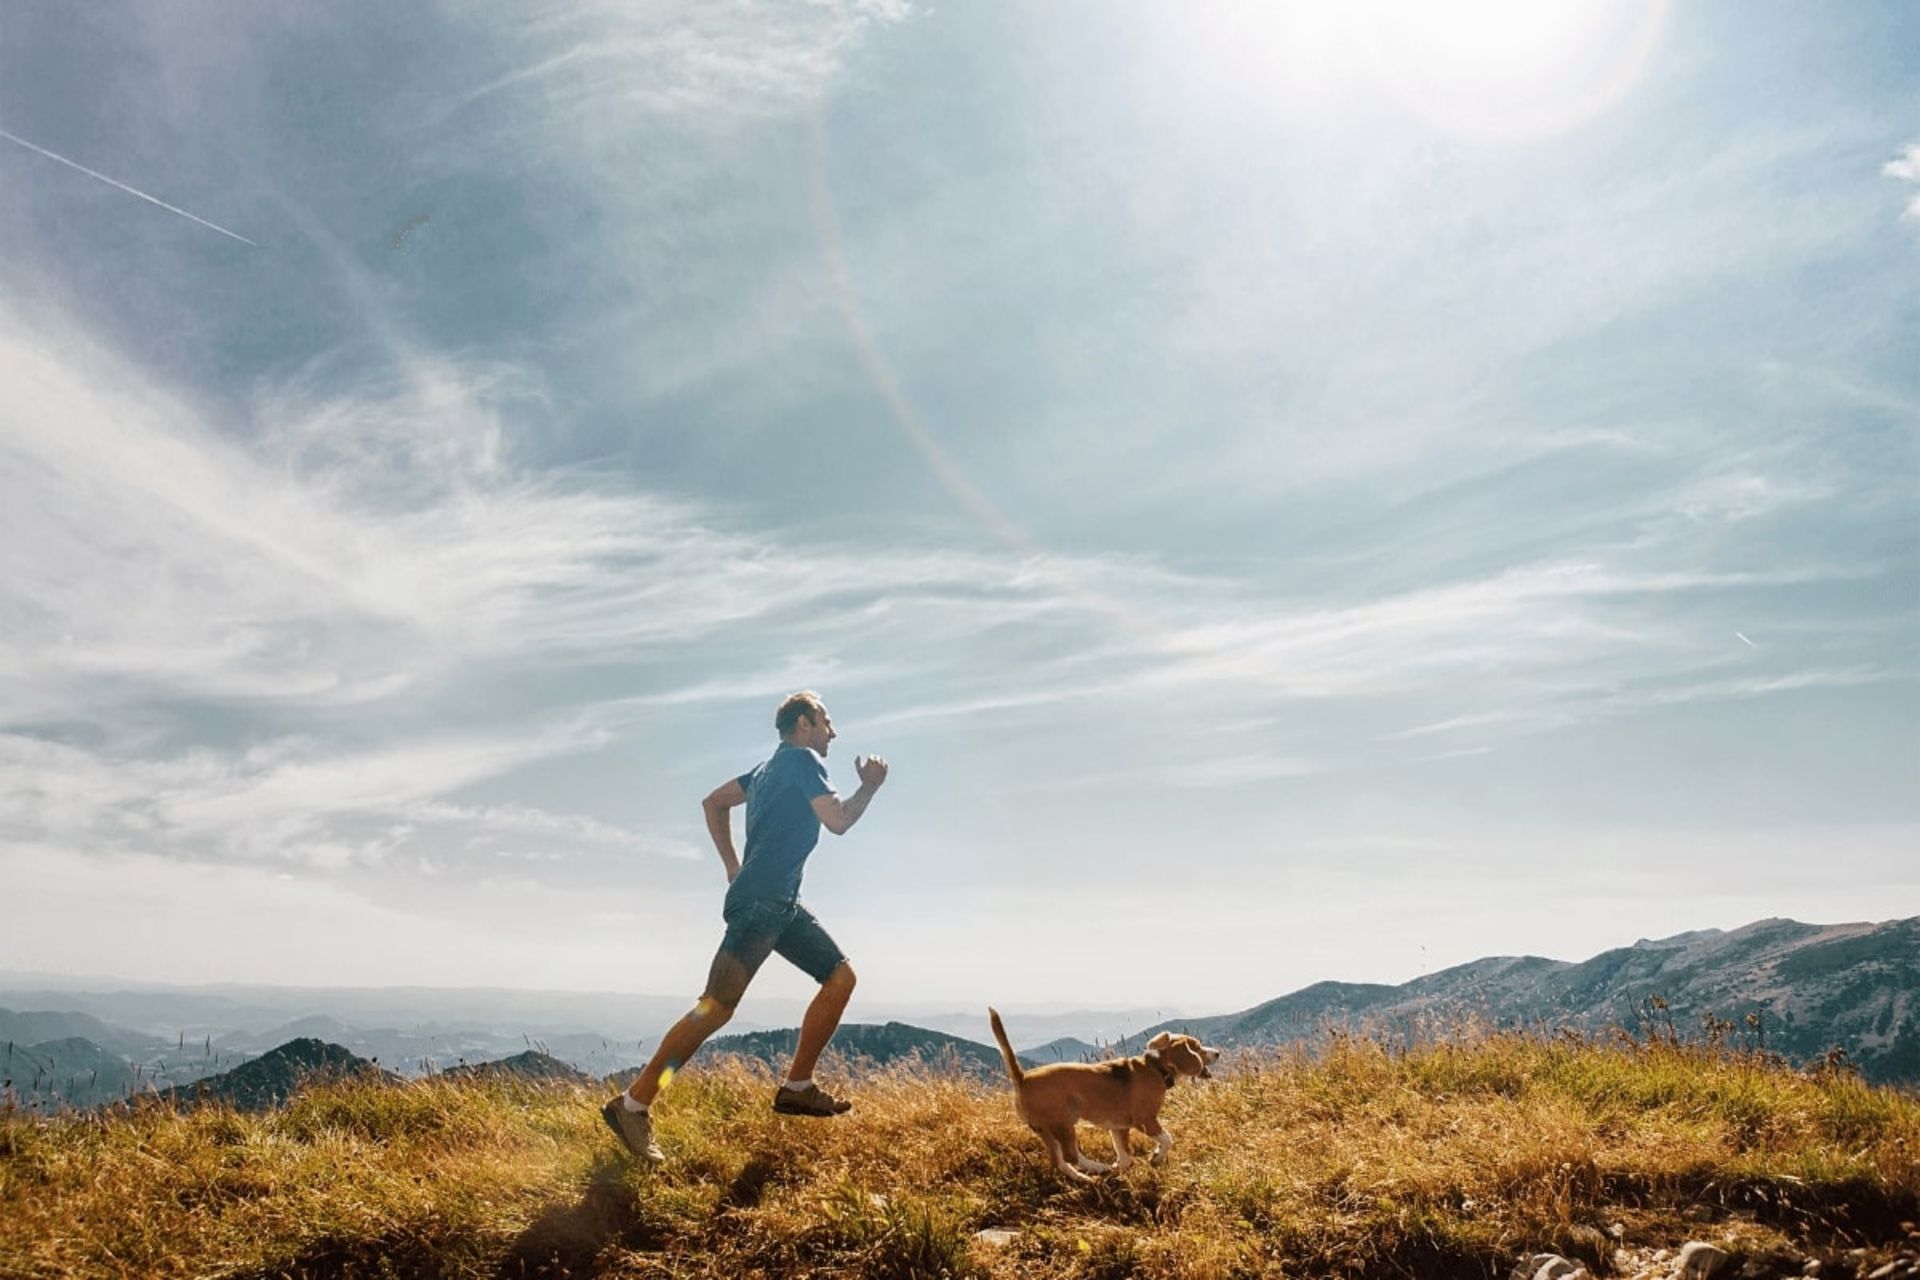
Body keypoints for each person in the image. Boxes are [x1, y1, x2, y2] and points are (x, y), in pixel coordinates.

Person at [603, 691, 889, 1163]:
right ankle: (633, 1104)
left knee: (840, 977)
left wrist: (733, 867)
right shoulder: (802, 761)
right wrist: (871, 786)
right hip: (761, 906)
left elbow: (714, 803)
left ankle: (797, 1085)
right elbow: (837, 820)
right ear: (803, 724)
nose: (832, 732)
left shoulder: (763, 771)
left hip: (778, 905)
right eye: (826, 722)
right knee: (714, 1009)